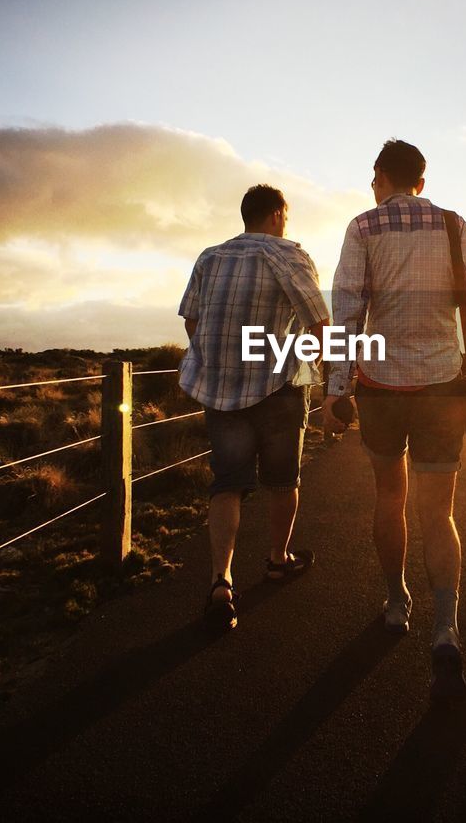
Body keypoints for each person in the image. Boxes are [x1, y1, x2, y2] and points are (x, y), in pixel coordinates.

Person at [323, 139, 466, 703]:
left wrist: (334, 388)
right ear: (420, 180)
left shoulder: (363, 227)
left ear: (381, 177)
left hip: (381, 387)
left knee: (388, 496)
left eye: (373, 180)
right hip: (442, 385)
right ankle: (446, 626)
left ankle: (397, 601)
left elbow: (346, 308)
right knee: (439, 512)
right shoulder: (453, 224)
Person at [178, 184, 330, 634]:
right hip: (279, 388)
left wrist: (217, 361)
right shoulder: (289, 255)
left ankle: (220, 581)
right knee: (283, 481)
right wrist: (314, 365)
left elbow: (191, 318)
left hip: (221, 389)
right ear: (277, 215)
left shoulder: (210, 257)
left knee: (226, 484)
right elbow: (319, 323)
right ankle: (278, 559)